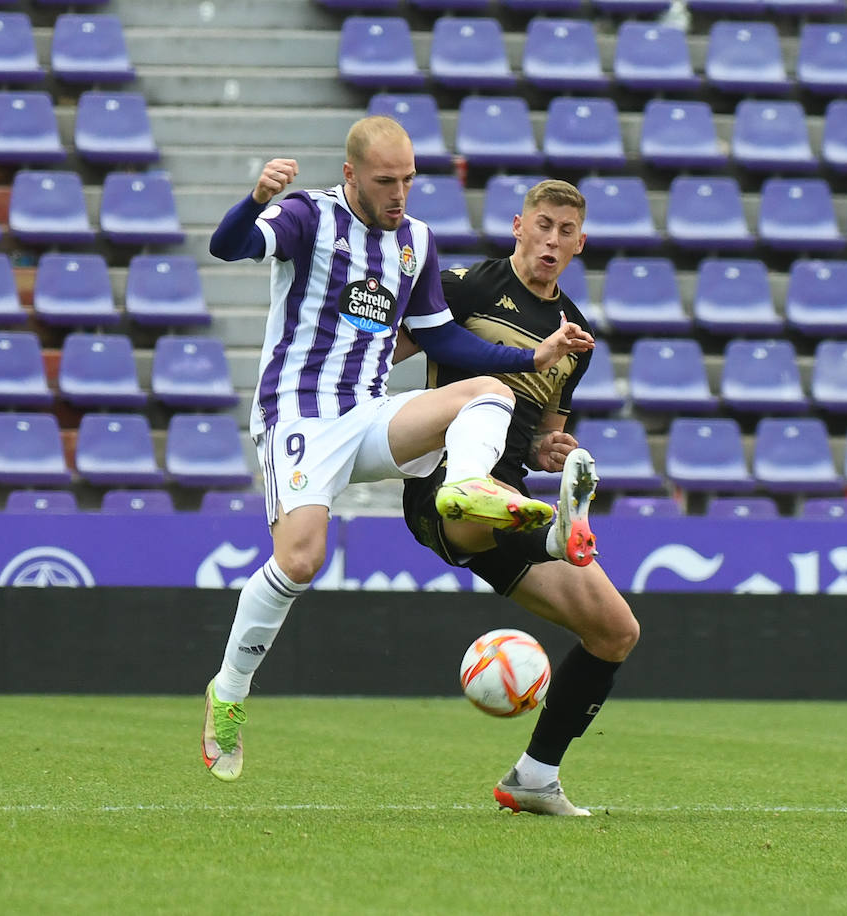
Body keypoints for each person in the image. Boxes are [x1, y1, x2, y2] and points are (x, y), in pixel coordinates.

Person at [200, 117, 596, 782]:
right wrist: (256, 200)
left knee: (488, 393)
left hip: (368, 411)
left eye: (408, 179)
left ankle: (467, 483)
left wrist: (533, 355)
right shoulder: (306, 218)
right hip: (300, 412)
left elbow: (442, 340)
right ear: (352, 175)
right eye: (386, 181)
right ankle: (229, 692)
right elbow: (228, 246)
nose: (399, 194)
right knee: (300, 561)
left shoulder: (415, 243)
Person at [398, 180, 640, 816]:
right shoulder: (468, 288)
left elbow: (544, 434)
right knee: (480, 506)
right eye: (543, 225)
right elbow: (383, 351)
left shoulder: (576, 335)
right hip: (444, 486)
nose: (551, 240)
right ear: (518, 226)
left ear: (580, 244)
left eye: (566, 232)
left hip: (515, 499)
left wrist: (551, 452)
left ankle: (534, 777)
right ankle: (551, 528)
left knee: (616, 631)